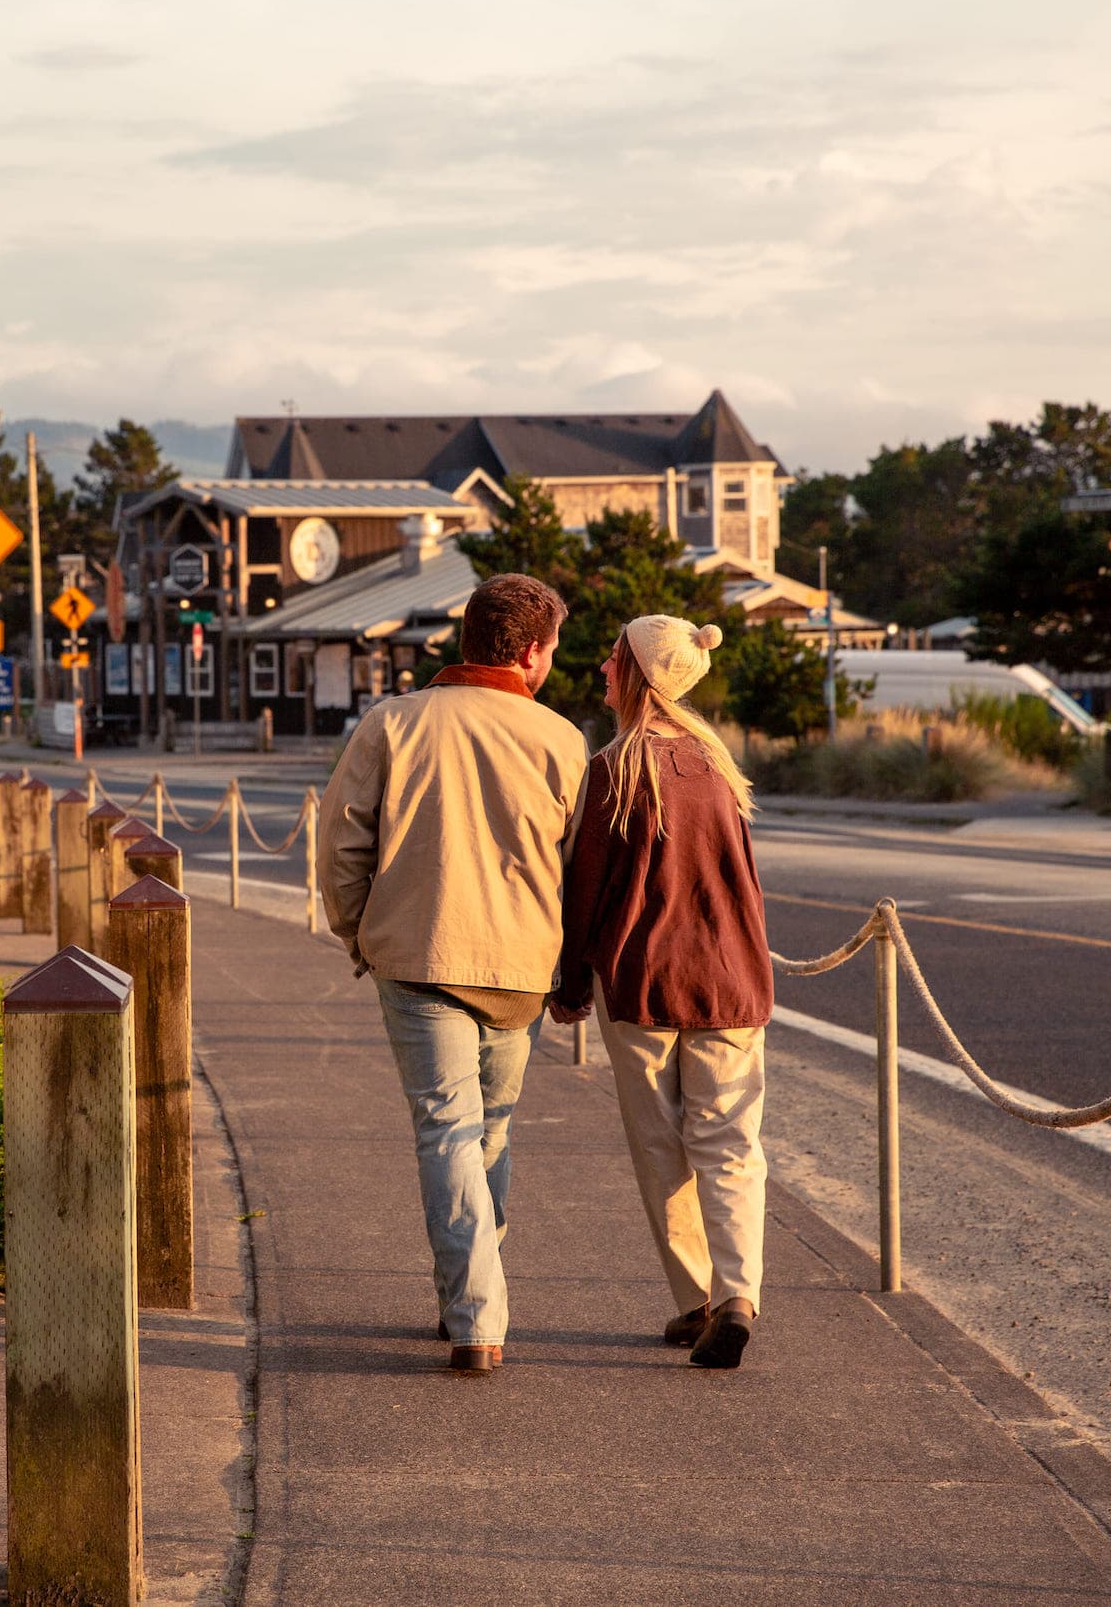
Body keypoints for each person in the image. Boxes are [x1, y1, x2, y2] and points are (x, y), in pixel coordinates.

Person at [316, 574, 587, 1375]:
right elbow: (580, 871)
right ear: (532, 653)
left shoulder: (392, 722)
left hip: (419, 952)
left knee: (447, 1130)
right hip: (521, 968)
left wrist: (359, 933)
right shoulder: (560, 740)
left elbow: (342, 845)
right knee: (489, 1131)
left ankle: (474, 1312)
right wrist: (570, 970)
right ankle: (475, 1297)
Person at [551, 616, 774, 1370]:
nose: (603, 666)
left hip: (642, 978)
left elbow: (587, 888)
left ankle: (697, 1299)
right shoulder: (718, 766)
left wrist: (571, 978)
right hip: (731, 978)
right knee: (731, 1143)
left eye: (614, 657)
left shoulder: (615, 768)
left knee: (661, 1144)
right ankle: (739, 1293)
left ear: (641, 676)